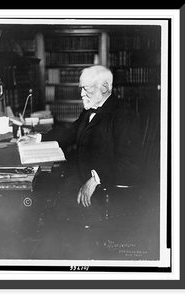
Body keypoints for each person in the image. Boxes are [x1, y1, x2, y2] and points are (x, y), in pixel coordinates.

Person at [18, 65, 144, 209]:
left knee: (51, 205)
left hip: (105, 185)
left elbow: (130, 163)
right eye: (81, 88)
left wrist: (96, 179)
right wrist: (38, 138)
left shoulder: (123, 113)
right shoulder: (90, 109)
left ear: (104, 87)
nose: (82, 94)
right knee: (48, 198)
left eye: (86, 88)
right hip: (81, 174)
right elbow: (71, 131)